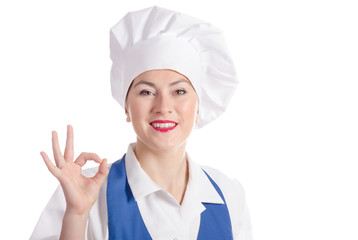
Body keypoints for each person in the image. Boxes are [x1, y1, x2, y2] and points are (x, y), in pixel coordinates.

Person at [30, 6, 253, 240]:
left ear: (199, 107)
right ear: (126, 107)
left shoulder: (229, 194)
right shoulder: (85, 192)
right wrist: (76, 215)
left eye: (179, 91)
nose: (163, 106)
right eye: (146, 92)